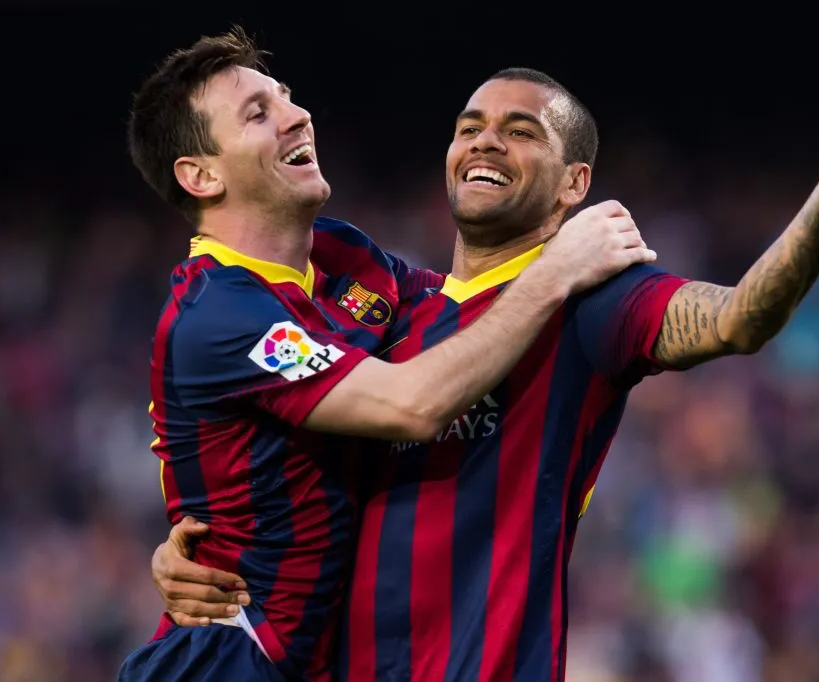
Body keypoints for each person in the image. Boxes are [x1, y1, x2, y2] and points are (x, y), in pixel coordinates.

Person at [149, 49, 819, 682]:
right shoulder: (389, 310)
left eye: (522, 130)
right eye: (469, 125)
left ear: (575, 184)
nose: (485, 140)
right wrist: (200, 550)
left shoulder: (591, 307)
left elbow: (744, 315)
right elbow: (302, 431)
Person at [117, 27, 656, 682]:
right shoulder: (216, 316)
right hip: (227, 657)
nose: (298, 115)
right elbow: (414, 404)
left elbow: (467, 310)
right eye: (260, 113)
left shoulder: (345, 259)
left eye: (286, 97)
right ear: (201, 175)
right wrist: (557, 269)